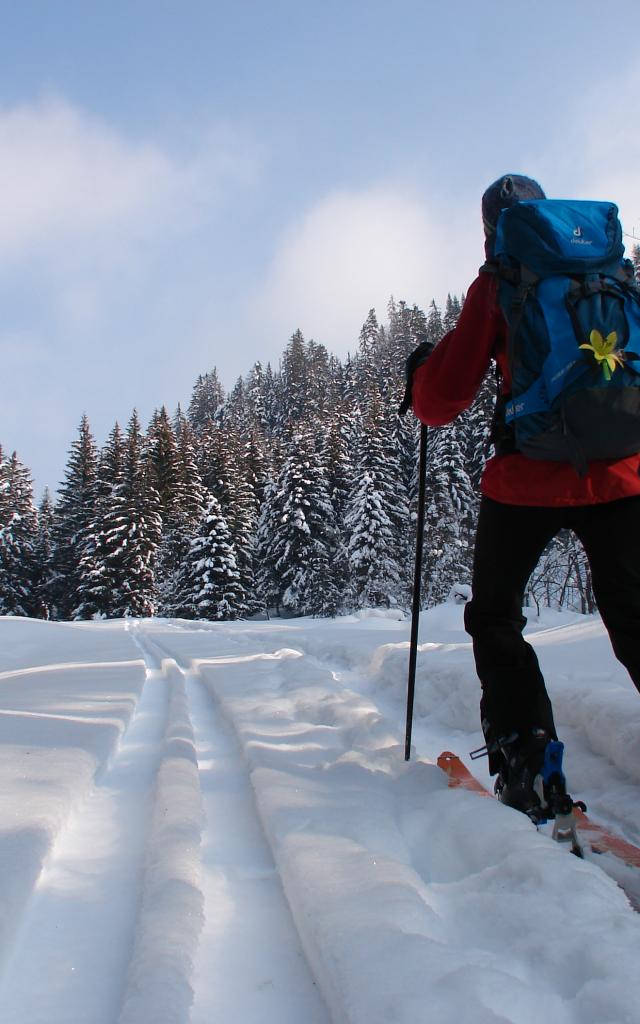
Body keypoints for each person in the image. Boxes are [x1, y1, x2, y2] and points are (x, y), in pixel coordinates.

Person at [405, 173, 640, 820]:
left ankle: (530, 767)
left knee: (496, 619)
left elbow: (441, 402)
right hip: (623, 473)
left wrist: (422, 371)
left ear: (490, 229)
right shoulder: (607, 271)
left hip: (529, 480)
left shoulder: (498, 283)